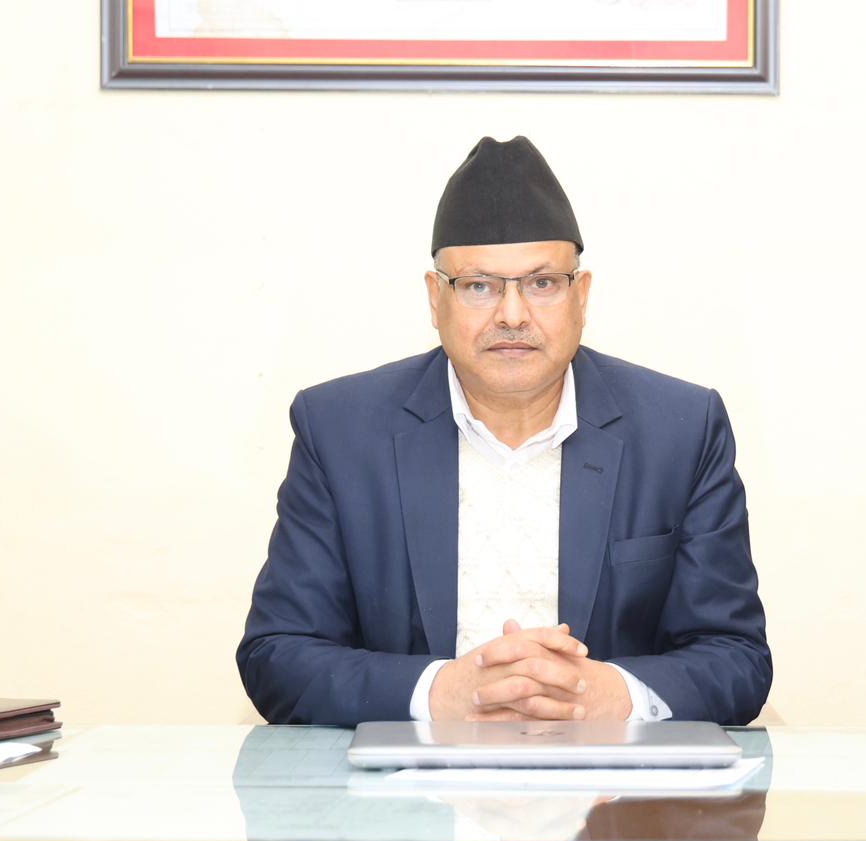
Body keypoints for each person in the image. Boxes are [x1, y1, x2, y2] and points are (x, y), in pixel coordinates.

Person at [237, 136, 771, 726]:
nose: (512, 315)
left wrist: (611, 695)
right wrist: (439, 693)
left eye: (542, 283)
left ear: (581, 296)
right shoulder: (340, 431)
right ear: (435, 298)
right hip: (410, 780)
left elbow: (737, 659)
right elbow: (277, 655)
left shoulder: (680, 430)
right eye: (479, 286)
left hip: (610, 780)